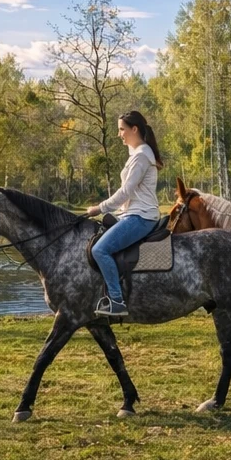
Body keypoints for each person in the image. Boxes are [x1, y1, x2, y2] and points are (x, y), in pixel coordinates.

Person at [85, 110, 163, 318]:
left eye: (121, 129)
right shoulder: (138, 154)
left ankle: (117, 301)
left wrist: (99, 208)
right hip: (131, 214)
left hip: (140, 217)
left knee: (100, 250)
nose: (119, 134)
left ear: (134, 129)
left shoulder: (141, 156)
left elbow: (126, 192)